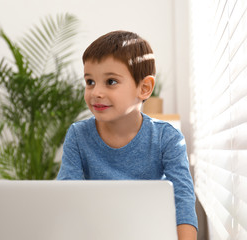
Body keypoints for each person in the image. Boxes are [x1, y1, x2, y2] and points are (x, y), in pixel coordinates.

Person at [57, 31, 198, 239]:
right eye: (90, 82)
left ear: (144, 88)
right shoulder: (78, 136)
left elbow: (183, 199)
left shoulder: (167, 138)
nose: (96, 92)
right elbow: (67, 198)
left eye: (111, 82)